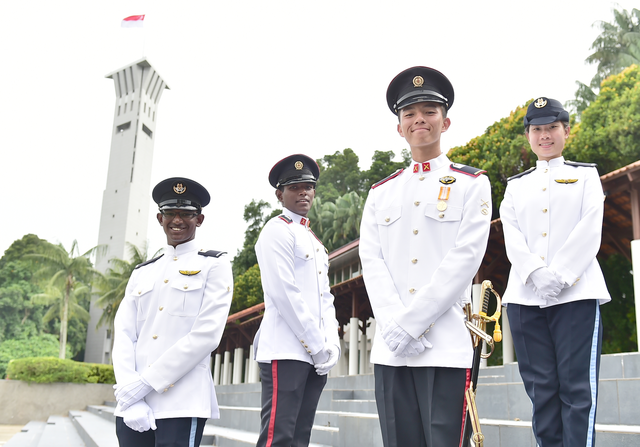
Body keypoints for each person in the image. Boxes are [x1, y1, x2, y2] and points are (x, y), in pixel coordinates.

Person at [359, 66, 492, 447]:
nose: (419, 119)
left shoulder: (472, 184)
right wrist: (396, 326)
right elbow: (372, 261)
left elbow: (465, 258)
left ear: (445, 122)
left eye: (429, 111)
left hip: (445, 345)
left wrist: (413, 323)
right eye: (410, 113)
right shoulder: (380, 192)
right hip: (392, 350)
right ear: (399, 127)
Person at [500, 98, 611, 447]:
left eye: (552, 127)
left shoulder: (586, 176)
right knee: (541, 391)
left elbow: (590, 228)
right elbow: (511, 233)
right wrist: (535, 272)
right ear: (528, 136)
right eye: (537, 129)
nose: (545, 135)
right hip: (525, 299)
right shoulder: (516, 186)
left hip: (577, 294)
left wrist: (560, 275)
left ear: (566, 131)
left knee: (577, 390)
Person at [112, 177, 233, 447]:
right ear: (160, 218)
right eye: (170, 213)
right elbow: (124, 333)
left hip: (181, 403)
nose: (177, 220)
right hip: (132, 405)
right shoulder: (142, 272)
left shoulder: (215, 265)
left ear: (199, 219)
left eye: (186, 214)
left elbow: (206, 335)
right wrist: (130, 392)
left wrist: (145, 384)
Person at [253, 154, 341, 447]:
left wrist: (331, 344)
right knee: (278, 438)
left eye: (308, 186)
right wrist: (316, 345)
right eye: (294, 187)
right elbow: (284, 294)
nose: (303, 192)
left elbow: (325, 298)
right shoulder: (276, 230)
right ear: (280, 194)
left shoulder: (314, 241)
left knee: (300, 438)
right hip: (286, 351)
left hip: (316, 356)